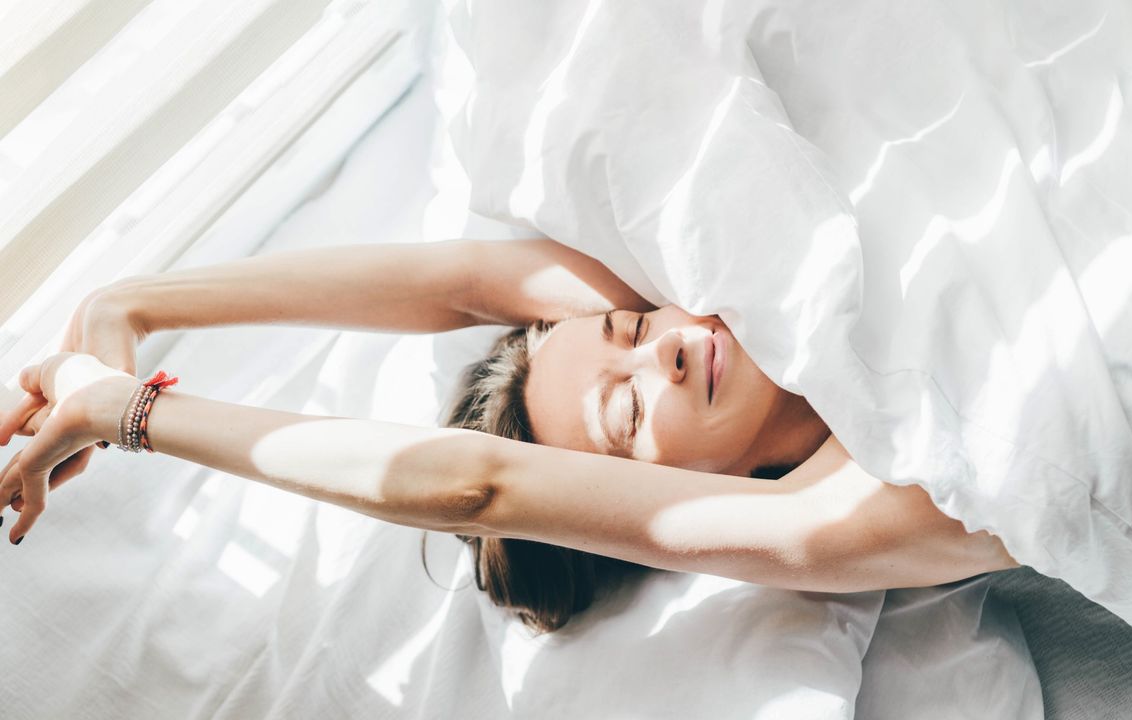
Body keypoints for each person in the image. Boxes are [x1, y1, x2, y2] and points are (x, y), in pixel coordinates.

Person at [0, 238, 1017, 632]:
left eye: (629, 324)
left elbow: (464, 286)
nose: (660, 352)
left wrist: (126, 301)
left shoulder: (743, 277)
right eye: (624, 415)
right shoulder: (850, 510)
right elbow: (480, 486)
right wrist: (127, 415)